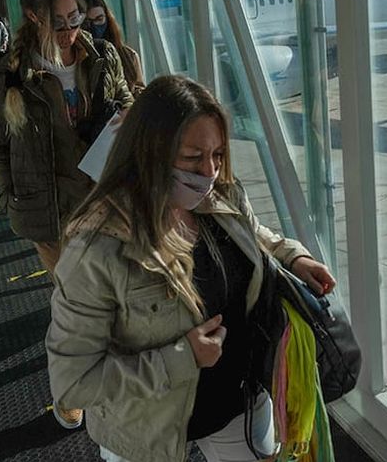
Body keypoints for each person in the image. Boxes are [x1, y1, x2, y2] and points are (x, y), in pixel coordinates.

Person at [46, 75, 337, 460]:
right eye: (193, 157)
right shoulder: (97, 249)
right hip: (147, 427)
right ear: (149, 151)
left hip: (238, 402)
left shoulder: (218, 197)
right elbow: (73, 382)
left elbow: (250, 232)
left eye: (218, 155)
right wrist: (182, 358)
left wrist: (292, 257)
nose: (210, 171)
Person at [0, 0, 134, 301]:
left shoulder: (102, 56)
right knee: (77, 301)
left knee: (117, 294)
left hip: (102, 198)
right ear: (33, 16)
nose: (70, 30)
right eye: (59, 22)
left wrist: (129, 114)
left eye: (76, 18)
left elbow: (125, 98)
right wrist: (10, 200)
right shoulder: (9, 76)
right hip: (49, 213)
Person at [78, 0, 145, 93]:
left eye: (99, 19)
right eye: (87, 22)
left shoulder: (128, 56)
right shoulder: (73, 59)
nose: (94, 27)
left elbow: (138, 91)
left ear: (107, 18)